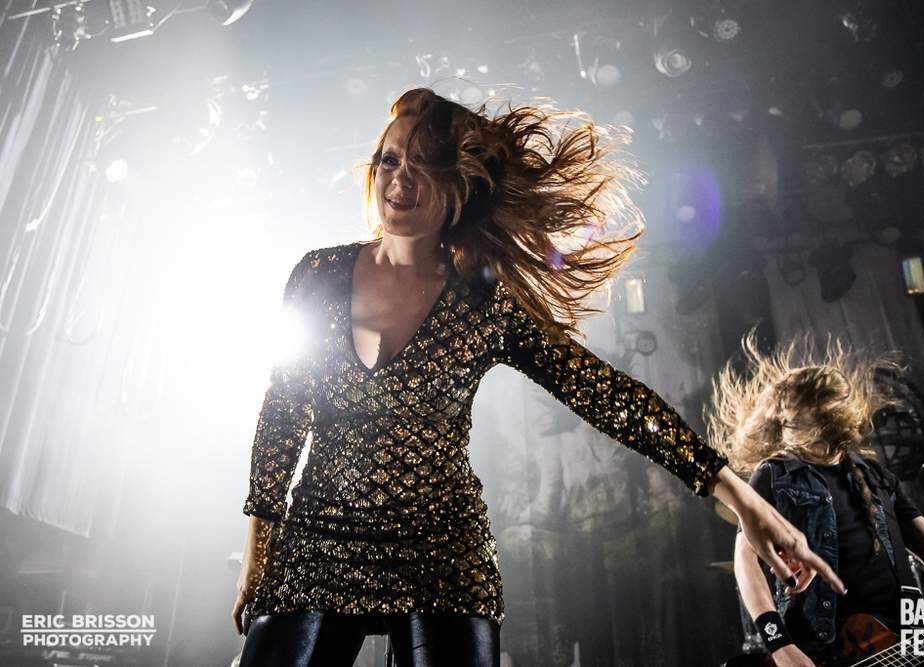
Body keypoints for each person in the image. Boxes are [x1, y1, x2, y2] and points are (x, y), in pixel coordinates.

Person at [231, 88, 844, 667]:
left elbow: (606, 394)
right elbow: (284, 413)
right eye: (390, 159)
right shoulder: (318, 274)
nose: (401, 179)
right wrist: (258, 551)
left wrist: (742, 498)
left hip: (441, 554)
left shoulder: (485, 300)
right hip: (318, 540)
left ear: (460, 185)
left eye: (426, 165)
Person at [709, 334, 924, 667]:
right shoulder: (774, 475)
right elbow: (746, 562)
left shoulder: (874, 475)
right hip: (825, 650)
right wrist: (780, 645)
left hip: (902, 643)